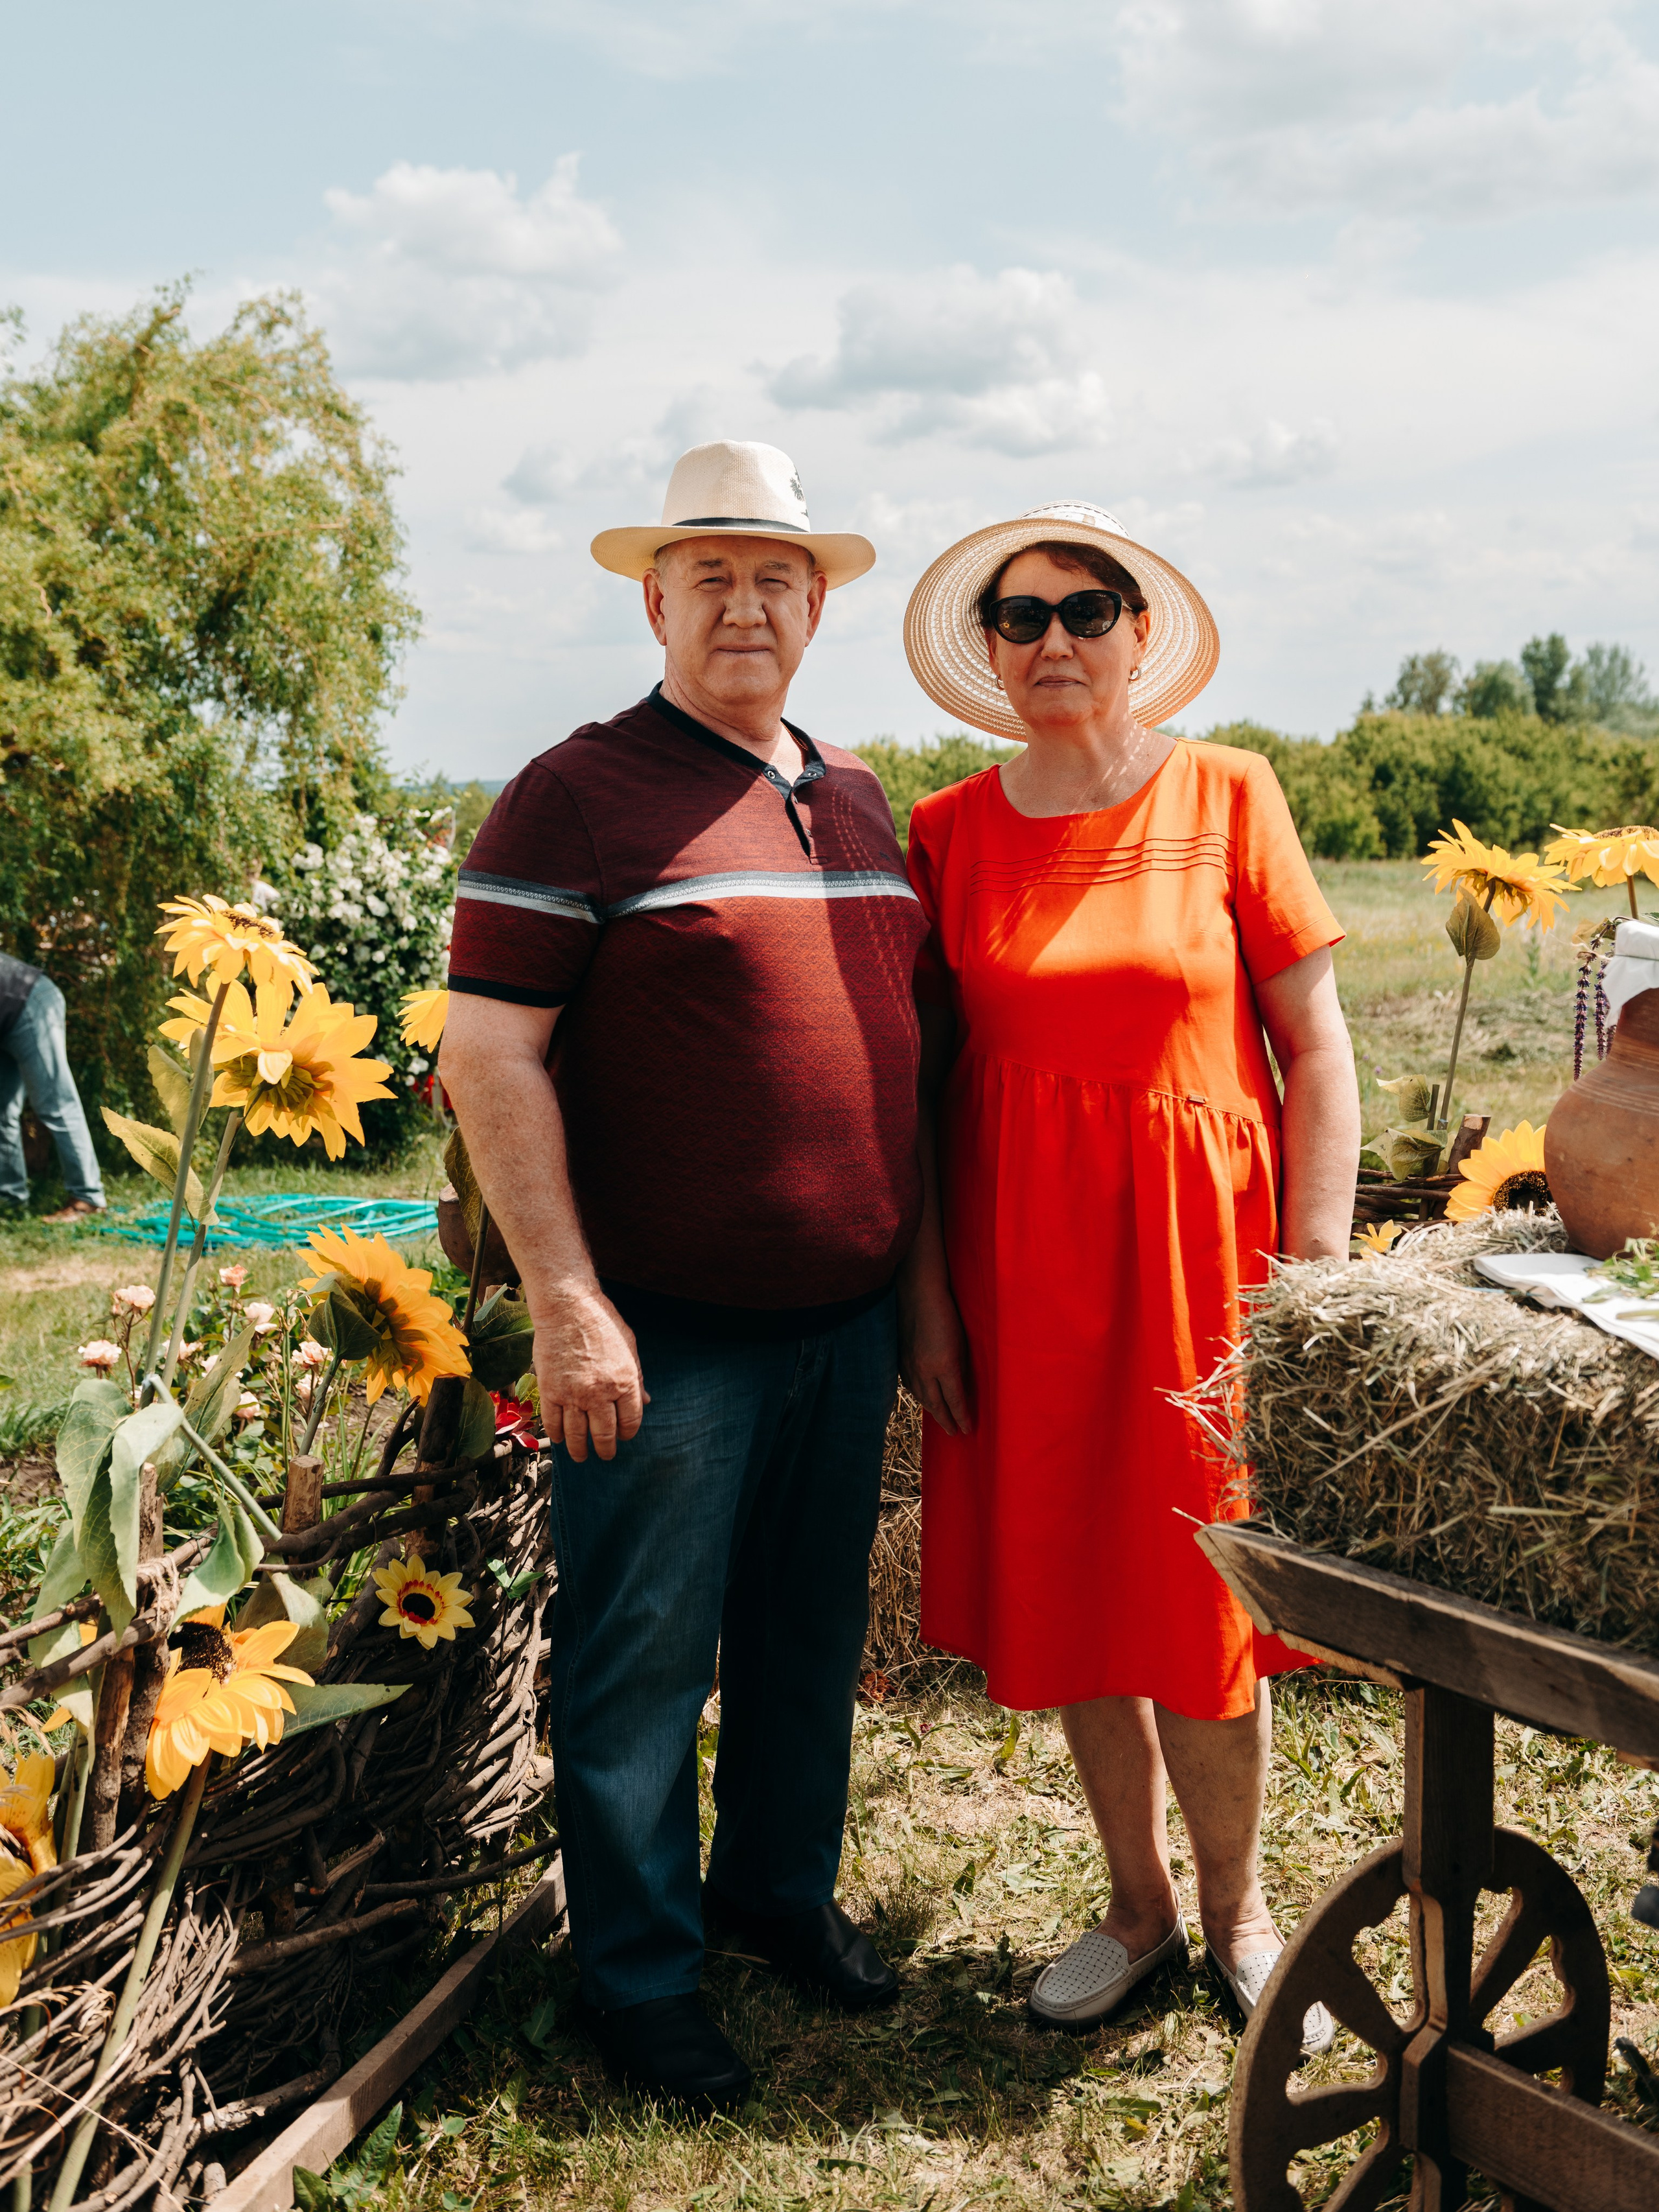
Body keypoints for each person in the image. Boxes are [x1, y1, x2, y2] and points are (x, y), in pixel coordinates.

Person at [440, 442, 929, 2113]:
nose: (744, 600)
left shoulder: (854, 792)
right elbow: (487, 1057)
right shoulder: (575, 790)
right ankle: (636, 1972)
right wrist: (567, 1299)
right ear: (651, 598)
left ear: (816, 605)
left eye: (774, 574)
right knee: (642, 1657)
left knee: (805, 1633)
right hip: (666, 1335)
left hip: (840, 1319)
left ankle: (776, 1897)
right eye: (708, 572)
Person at [897, 504, 1360, 2047]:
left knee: (1195, 1596)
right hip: (1020, 1269)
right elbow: (923, 1088)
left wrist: (1315, 1279)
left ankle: (1238, 1909)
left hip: (1198, 1273)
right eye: (1015, 618)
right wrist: (929, 1297)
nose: (1050, 641)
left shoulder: (1229, 794)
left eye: (1082, 610)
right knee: (1075, 1580)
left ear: (1136, 630)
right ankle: (1134, 1899)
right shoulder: (947, 833)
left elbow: (1315, 1047)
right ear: (987, 651)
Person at [0, 953, 107, 1223]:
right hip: (6, 1016)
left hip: (30, 1002)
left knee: (55, 1102)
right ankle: (10, 1202)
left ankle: (88, 1199)